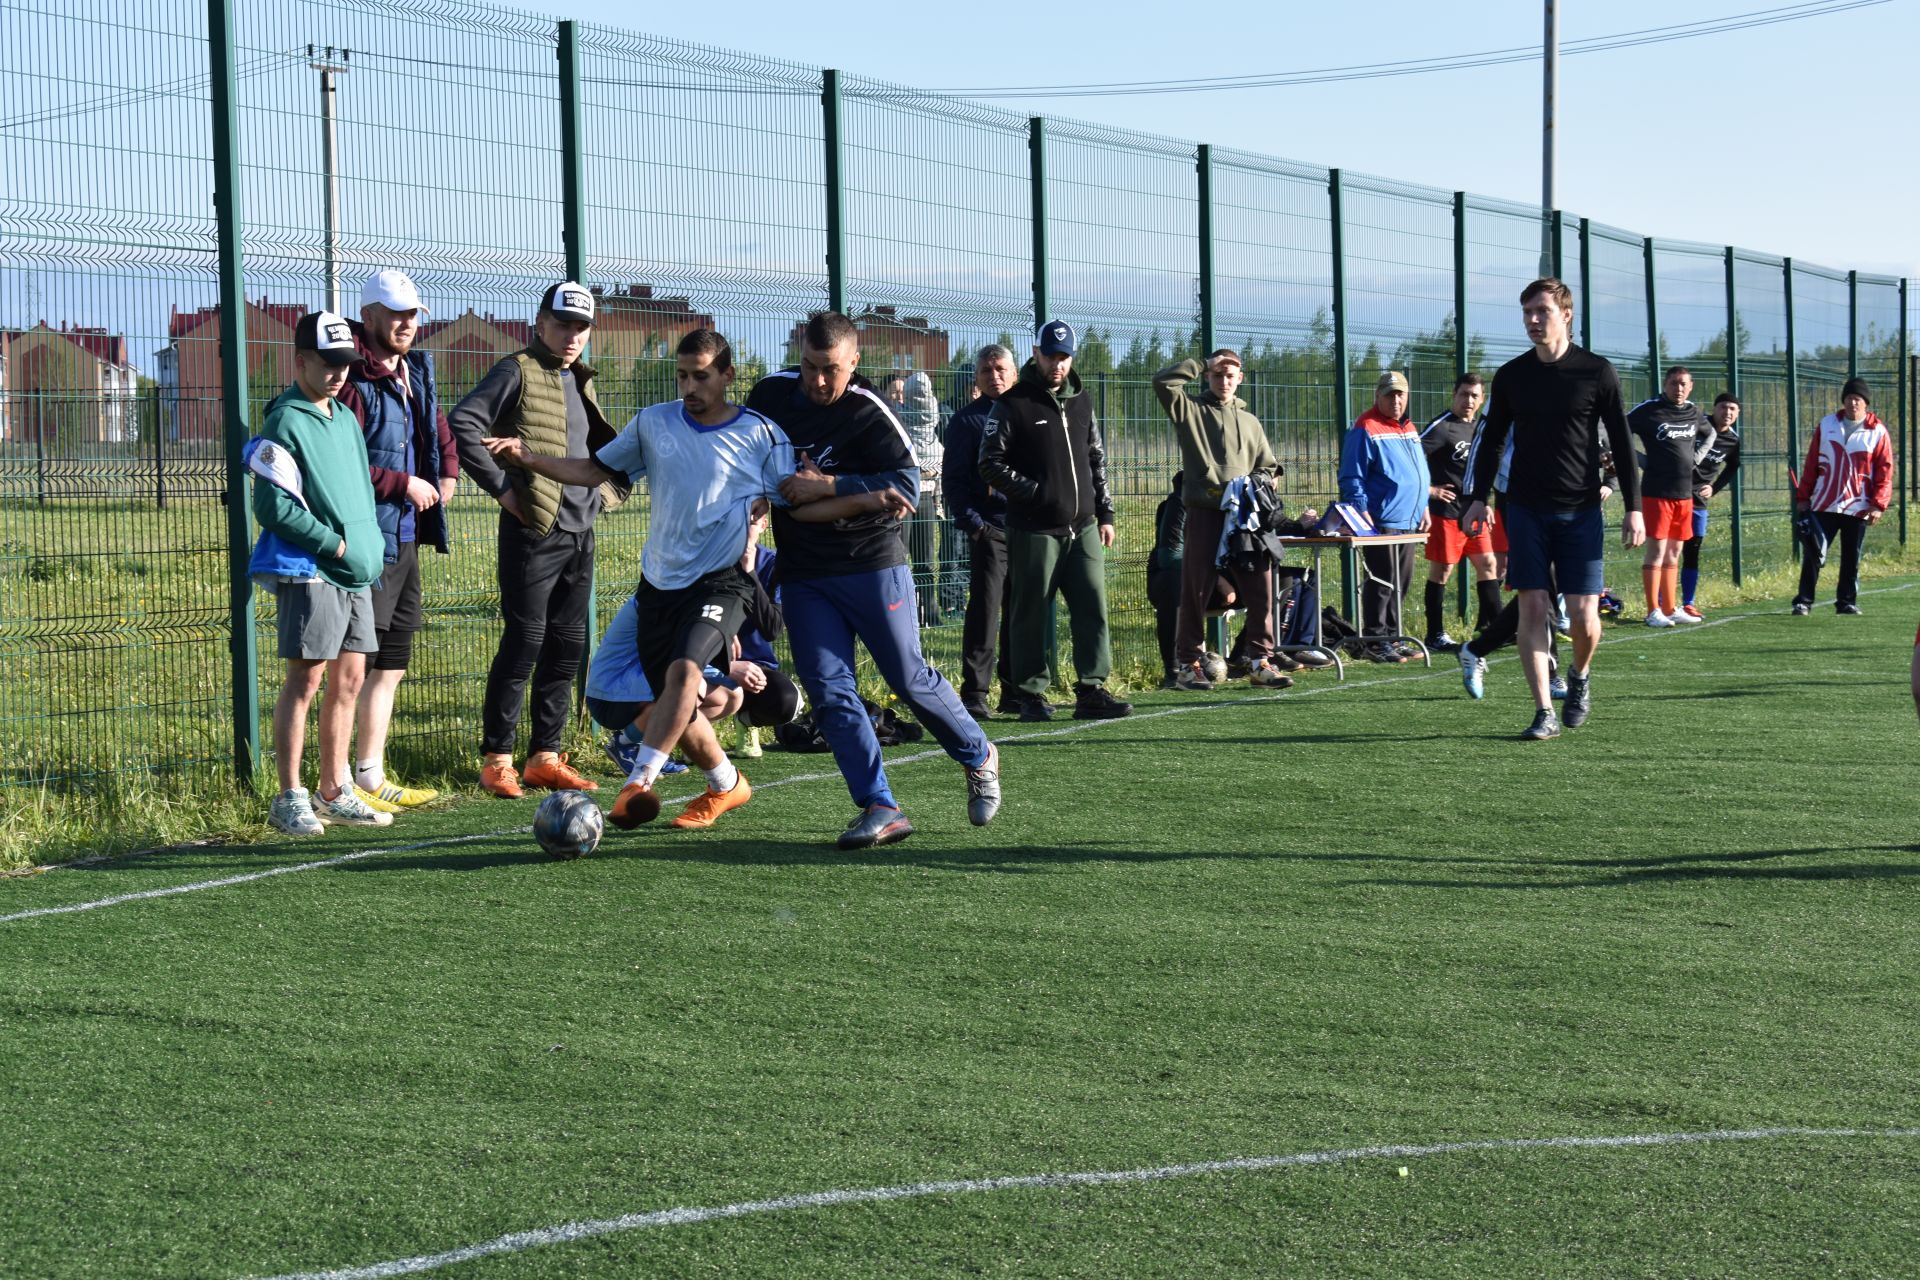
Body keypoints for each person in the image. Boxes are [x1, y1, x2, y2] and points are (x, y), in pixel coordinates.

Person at [483, 329, 791, 830]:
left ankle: (637, 783)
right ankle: (727, 783)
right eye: (683, 376)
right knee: (676, 703)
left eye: (702, 376)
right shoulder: (655, 422)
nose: (690, 387)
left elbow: (789, 494)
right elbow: (595, 470)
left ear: (728, 376)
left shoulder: (762, 434)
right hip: (660, 584)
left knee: (687, 671)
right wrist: (528, 458)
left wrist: (787, 506)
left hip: (722, 581)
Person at [746, 311, 1001, 850]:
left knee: (907, 677)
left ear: (854, 363)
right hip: (807, 571)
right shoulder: (769, 395)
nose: (819, 381)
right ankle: (880, 805)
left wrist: (830, 485)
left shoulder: (869, 410)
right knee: (828, 689)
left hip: (871, 563)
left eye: (831, 370)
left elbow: (908, 481)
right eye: (810, 367)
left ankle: (978, 753)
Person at [450, 281, 628, 798]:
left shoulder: (579, 377)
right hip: (534, 530)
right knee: (525, 641)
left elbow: (603, 453)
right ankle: (497, 759)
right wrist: (506, 491)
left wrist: (602, 499)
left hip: (579, 529)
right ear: (540, 322)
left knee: (569, 646)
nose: (572, 335)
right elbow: (464, 421)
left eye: (581, 327)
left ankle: (544, 758)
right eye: (563, 324)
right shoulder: (517, 369)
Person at [1459, 277, 1643, 740]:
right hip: (1524, 507)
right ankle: (1543, 712)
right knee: (1533, 607)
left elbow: (1621, 441)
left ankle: (1580, 676)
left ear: (1566, 314)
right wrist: (1479, 497)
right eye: (1526, 313)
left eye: (1541, 311)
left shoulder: (1596, 372)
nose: (1533, 321)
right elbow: (1493, 440)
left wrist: (1634, 507)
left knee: (1584, 617)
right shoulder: (1512, 375)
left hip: (1580, 509)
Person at [247, 311, 391, 835]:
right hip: (312, 569)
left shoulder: (345, 417)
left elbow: (358, 489)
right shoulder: (284, 420)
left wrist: (367, 546)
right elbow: (273, 507)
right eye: (327, 364)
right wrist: (334, 543)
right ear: (300, 360)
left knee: (350, 680)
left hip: (356, 572)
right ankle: (289, 796)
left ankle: (336, 789)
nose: (337, 374)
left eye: (345, 364)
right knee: (306, 679)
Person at [334, 268, 458, 814]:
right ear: (370, 316)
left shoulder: (417, 370)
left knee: (392, 663)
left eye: (413, 314)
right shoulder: (353, 379)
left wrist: (447, 473)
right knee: (353, 665)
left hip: (406, 538)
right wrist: (403, 483)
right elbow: (344, 464)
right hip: (369, 541)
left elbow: (440, 430)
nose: (406, 323)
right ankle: (335, 780)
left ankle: (371, 773)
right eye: (396, 313)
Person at [979, 320, 1132, 721]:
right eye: (1051, 356)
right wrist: (1036, 494)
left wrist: (1106, 512)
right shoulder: (1012, 403)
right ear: (1036, 353)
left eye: (1064, 357)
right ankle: (1030, 694)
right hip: (1034, 529)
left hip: (1083, 527)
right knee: (1031, 611)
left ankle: (1092, 689)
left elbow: (1096, 458)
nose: (1058, 364)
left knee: (1092, 605)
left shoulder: (1082, 400)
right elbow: (989, 464)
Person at [1152, 348, 1292, 690]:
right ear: (1208, 376)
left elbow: (1268, 464)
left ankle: (1260, 661)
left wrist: (1263, 480)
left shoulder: (1250, 421)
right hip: (1204, 511)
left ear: (1240, 378)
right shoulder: (1190, 410)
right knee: (1195, 588)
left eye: (1230, 375)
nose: (1224, 381)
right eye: (1217, 374)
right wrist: (1202, 362)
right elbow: (1163, 383)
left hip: (1243, 517)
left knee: (1261, 584)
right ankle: (1188, 665)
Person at [943, 344, 1018, 718]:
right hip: (991, 529)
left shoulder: (1030, 412)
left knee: (1023, 612)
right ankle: (975, 693)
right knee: (985, 611)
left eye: (1001, 368)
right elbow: (953, 482)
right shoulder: (965, 422)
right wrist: (975, 525)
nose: (995, 376)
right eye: (987, 371)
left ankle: (1017, 690)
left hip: (1031, 528)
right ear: (976, 377)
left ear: (1015, 372)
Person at [1338, 370, 1432, 663]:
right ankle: (1376, 639)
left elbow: (1417, 473)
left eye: (1400, 394)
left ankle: (1393, 635)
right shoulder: (1365, 427)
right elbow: (1352, 474)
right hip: (1381, 519)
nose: (1396, 400)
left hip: (1408, 519)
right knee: (1381, 580)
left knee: (1400, 581)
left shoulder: (1410, 428)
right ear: (1377, 396)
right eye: (1390, 395)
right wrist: (1361, 510)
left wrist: (1424, 505)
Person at [1791, 377, 1892, 617]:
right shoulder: (1827, 425)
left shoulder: (1877, 431)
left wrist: (1878, 504)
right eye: (1849, 398)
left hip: (1858, 506)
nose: (1853, 403)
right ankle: (1803, 601)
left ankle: (1846, 601)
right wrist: (1803, 497)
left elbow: (1884, 470)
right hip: (1824, 502)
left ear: (1865, 403)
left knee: (1851, 556)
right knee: (1814, 551)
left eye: (1857, 399)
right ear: (1843, 401)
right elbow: (1812, 462)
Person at [1418, 373, 1499, 651]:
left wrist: (1484, 500)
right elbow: (1410, 458)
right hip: (1445, 513)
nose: (1469, 400)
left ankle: (1489, 628)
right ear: (1454, 395)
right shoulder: (1442, 427)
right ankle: (1435, 634)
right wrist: (1430, 490)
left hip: (1473, 513)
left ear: (1482, 399)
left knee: (1488, 565)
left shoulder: (1481, 427)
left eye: (1475, 395)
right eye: (1464, 394)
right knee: (1443, 571)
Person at [1627, 365, 1712, 628]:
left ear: (1691, 386)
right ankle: (1652, 610)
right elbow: (1617, 430)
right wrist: (1639, 460)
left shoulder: (1694, 412)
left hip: (1684, 494)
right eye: (1674, 383)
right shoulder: (1649, 410)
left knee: (1675, 552)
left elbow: (1710, 433)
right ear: (1665, 384)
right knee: (1657, 551)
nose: (1679, 389)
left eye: (1683, 384)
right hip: (1656, 493)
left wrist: (1695, 459)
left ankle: (1670, 607)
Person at [1679, 392, 1741, 620]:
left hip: (1699, 502)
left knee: (1692, 550)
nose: (1728, 412)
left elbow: (1733, 466)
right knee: (1669, 550)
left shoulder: (1733, 440)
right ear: (1714, 409)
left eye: (1733, 409)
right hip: (1675, 494)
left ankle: (1688, 603)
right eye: (1723, 407)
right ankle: (1660, 603)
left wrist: (1714, 488)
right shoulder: (1698, 426)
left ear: (1737, 414)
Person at [900, 370, 947, 627]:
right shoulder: (900, 423)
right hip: (909, 497)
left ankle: (926, 613)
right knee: (905, 560)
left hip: (921, 496)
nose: (921, 401)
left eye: (924, 395)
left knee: (920, 560)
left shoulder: (930, 427)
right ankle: (910, 614)